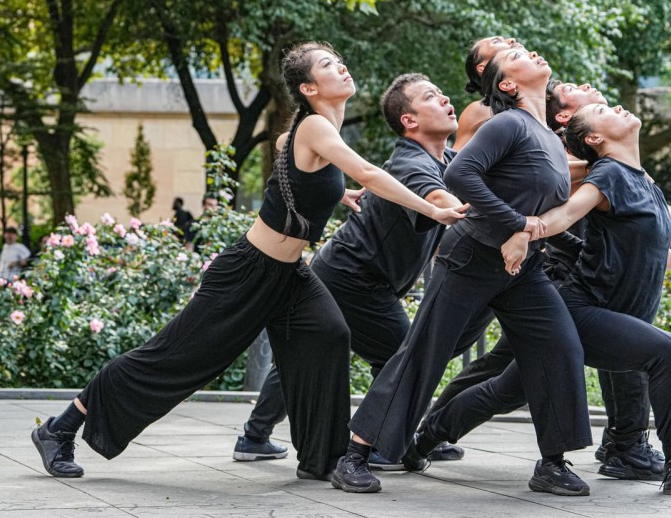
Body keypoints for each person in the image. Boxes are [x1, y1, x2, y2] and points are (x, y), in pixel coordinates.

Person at [30, 41, 466, 482]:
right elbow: (370, 174)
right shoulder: (317, 127)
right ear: (310, 87)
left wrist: (335, 192)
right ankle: (59, 427)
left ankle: (327, 459)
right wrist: (433, 210)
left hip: (289, 275)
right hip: (249, 271)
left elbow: (286, 146)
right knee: (175, 357)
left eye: (340, 62)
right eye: (330, 66)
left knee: (330, 335)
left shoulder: (312, 127)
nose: (343, 68)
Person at [411, 102, 671, 497]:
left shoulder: (643, 179)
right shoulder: (607, 176)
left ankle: (426, 436)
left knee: (508, 389)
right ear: (596, 138)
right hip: (583, 311)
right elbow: (563, 216)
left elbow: (650, 245)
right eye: (604, 109)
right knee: (669, 353)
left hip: (611, 316)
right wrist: (523, 232)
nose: (617, 105)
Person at [331, 48, 593, 495]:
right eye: (517, 55)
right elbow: (461, 176)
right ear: (507, 84)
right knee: (422, 353)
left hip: (521, 268)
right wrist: (516, 224)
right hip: (471, 256)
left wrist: (582, 252)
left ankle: (552, 463)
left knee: (559, 347)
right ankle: (354, 456)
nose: (530, 51)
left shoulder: (547, 136)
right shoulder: (507, 123)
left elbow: (541, 214)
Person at [233, 73, 482, 468]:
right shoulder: (410, 162)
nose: (445, 98)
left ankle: (253, 436)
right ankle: (385, 443)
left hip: (353, 274)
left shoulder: (446, 161)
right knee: (407, 357)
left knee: (308, 354)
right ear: (409, 121)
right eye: (432, 96)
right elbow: (438, 198)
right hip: (354, 278)